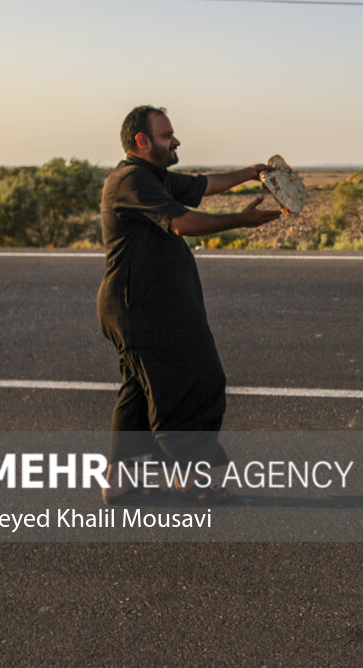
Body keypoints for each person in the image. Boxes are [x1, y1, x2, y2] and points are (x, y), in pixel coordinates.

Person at [96, 106, 281, 504]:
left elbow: (205, 185)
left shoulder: (152, 176)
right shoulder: (131, 180)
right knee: (192, 386)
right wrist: (240, 221)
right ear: (141, 142)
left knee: (138, 393)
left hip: (141, 309)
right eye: (166, 136)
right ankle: (189, 482)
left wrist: (252, 172)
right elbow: (182, 222)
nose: (175, 140)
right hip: (141, 311)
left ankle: (120, 484)